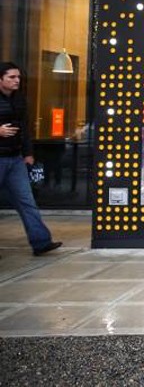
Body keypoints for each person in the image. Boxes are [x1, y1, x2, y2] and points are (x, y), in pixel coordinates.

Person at [0, 62, 62, 256]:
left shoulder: (19, 100)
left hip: (15, 158)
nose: (17, 81)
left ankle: (41, 241)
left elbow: (25, 129)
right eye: (11, 77)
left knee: (26, 200)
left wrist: (28, 153)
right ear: (0, 79)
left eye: (18, 77)